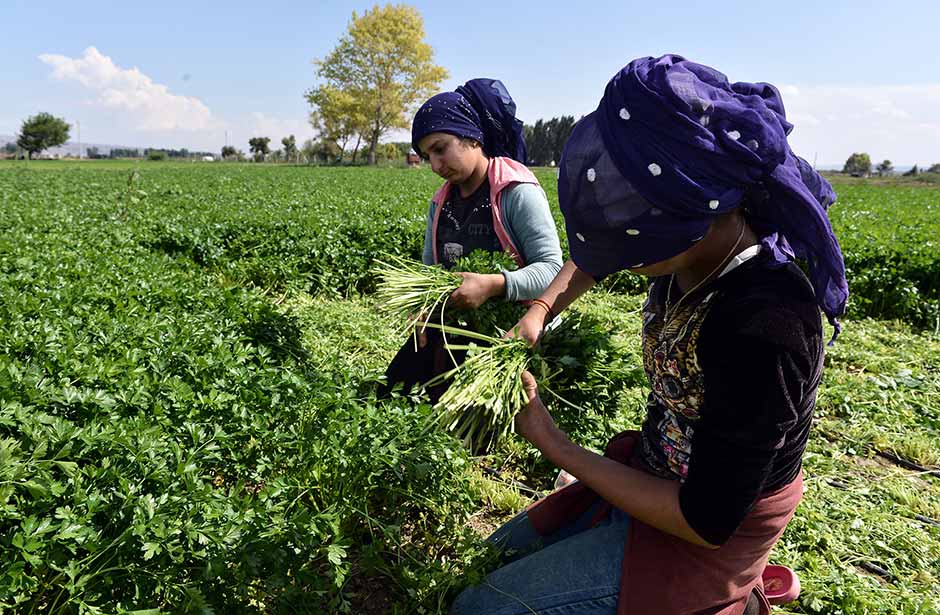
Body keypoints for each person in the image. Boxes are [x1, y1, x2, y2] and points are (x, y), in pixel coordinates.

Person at [451, 55, 848, 615]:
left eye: (636, 228)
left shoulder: (767, 325)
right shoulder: (692, 250)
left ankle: (732, 598)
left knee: (479, 607)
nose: (622, 247)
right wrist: (539, 309)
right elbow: (594, 257)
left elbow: (706, 520)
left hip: (709, 526)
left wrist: (552, 441)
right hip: (653, 471)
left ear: (699, 208)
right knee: (486, 564)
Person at [379, 78, 563, 403]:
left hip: (515, 328)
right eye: (426, 156)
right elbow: (430, 273)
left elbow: (552, 272)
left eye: (440, 149)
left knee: (463, 419)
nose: (435, 165)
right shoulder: (440, 203)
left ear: (472, 136)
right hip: (458, 323)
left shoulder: (516, 192)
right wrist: (422, 313)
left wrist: (493, 284)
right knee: (387, 397)